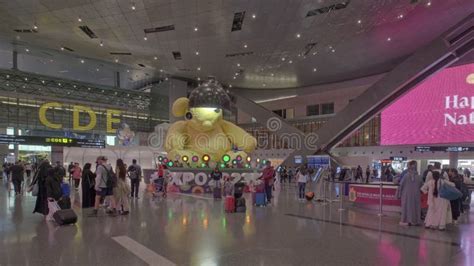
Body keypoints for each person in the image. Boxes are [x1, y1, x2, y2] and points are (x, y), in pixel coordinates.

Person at [397, 161, 423, 226]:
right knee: (416, 207)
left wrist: (399, 194)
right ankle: (416, 220)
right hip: (416, 195)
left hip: (406, 195)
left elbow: (400, 185)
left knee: (406, 207)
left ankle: (406, 220)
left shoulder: (406, 175)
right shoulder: (419, 176)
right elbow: (422, 186)